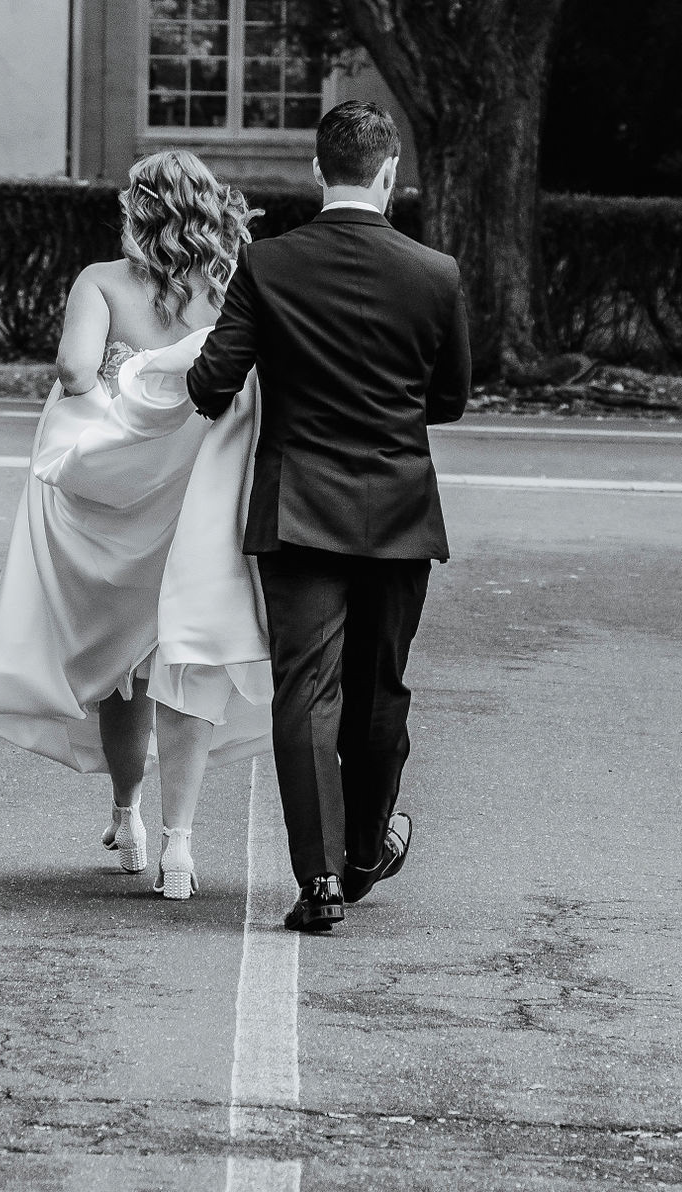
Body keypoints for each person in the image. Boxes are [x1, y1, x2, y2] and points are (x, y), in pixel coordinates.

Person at [0, 151, 272, 899]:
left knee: (125, 669)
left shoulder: (100, 281)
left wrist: (121, 391)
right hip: (194, 492)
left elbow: (74, 371)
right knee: (185, 656)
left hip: (116, 497)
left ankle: (127, 816)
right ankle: (179, 845)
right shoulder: (231, 281)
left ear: (138, 209)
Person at [187, 100, 472, 933]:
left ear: (317, 171)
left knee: (306, 690)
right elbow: (450, 400)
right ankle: (365, 854)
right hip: (399, 508)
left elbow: (213, 383)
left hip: (298, 507)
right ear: (391, 173)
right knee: (380, 691)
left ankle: (318, 881)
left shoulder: (269, 263)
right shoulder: (435, 272)